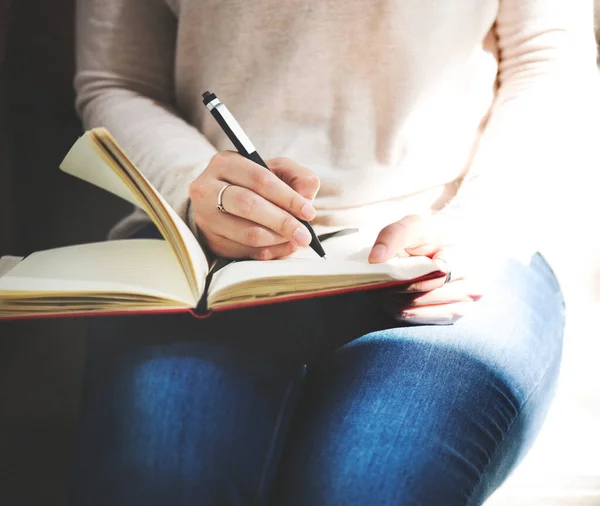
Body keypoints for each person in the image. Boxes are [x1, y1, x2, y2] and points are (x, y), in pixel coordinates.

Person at [69, 0, 598, 504]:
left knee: (367, 488)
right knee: (163, 480)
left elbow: (550, 57)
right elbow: (118, 81)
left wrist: (477, 224)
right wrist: (193, 188)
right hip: (206, 254)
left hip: (443, 245)